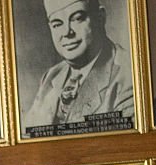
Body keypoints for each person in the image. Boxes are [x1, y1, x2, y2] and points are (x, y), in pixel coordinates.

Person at [23, 0, 134, 132]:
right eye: (57, 24)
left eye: (77, 19)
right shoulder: (52, 76)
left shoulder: (129, 74)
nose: (66, 32)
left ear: (100, 17)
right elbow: (28, 135)